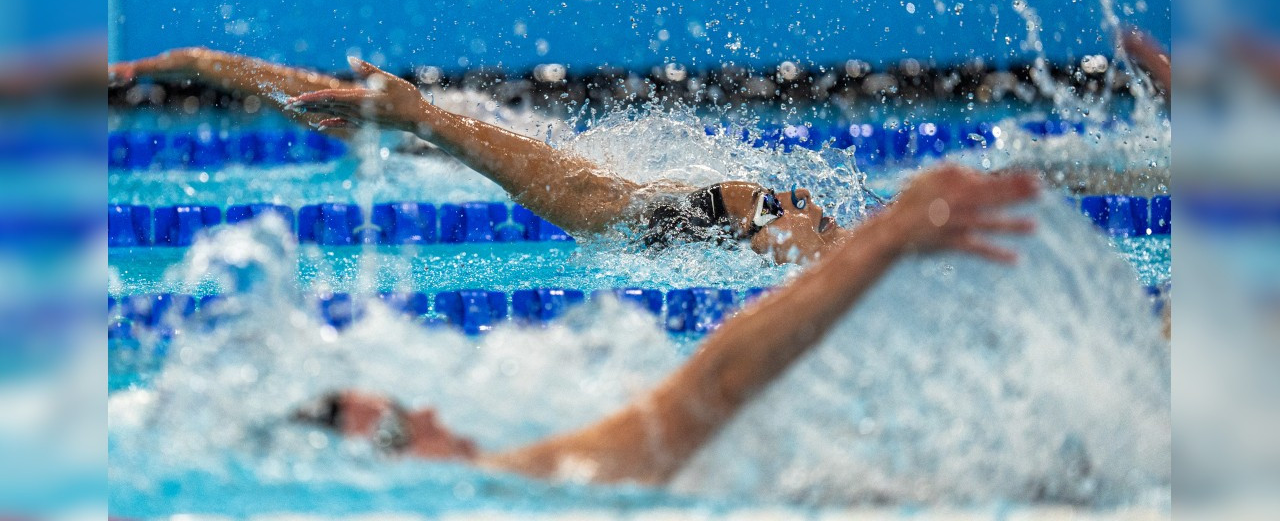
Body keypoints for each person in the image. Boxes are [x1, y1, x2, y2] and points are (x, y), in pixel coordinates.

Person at [289, 164, 1040, 485]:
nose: (425, 410)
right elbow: (713, 385)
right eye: (395, 432)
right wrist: (882, 240)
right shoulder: (514, 487)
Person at [111, 48, 1020, 265]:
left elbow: (593, 201)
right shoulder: (774, 226)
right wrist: (185, 63)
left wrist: (186, 63)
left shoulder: (785, 233)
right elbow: (592, 201)